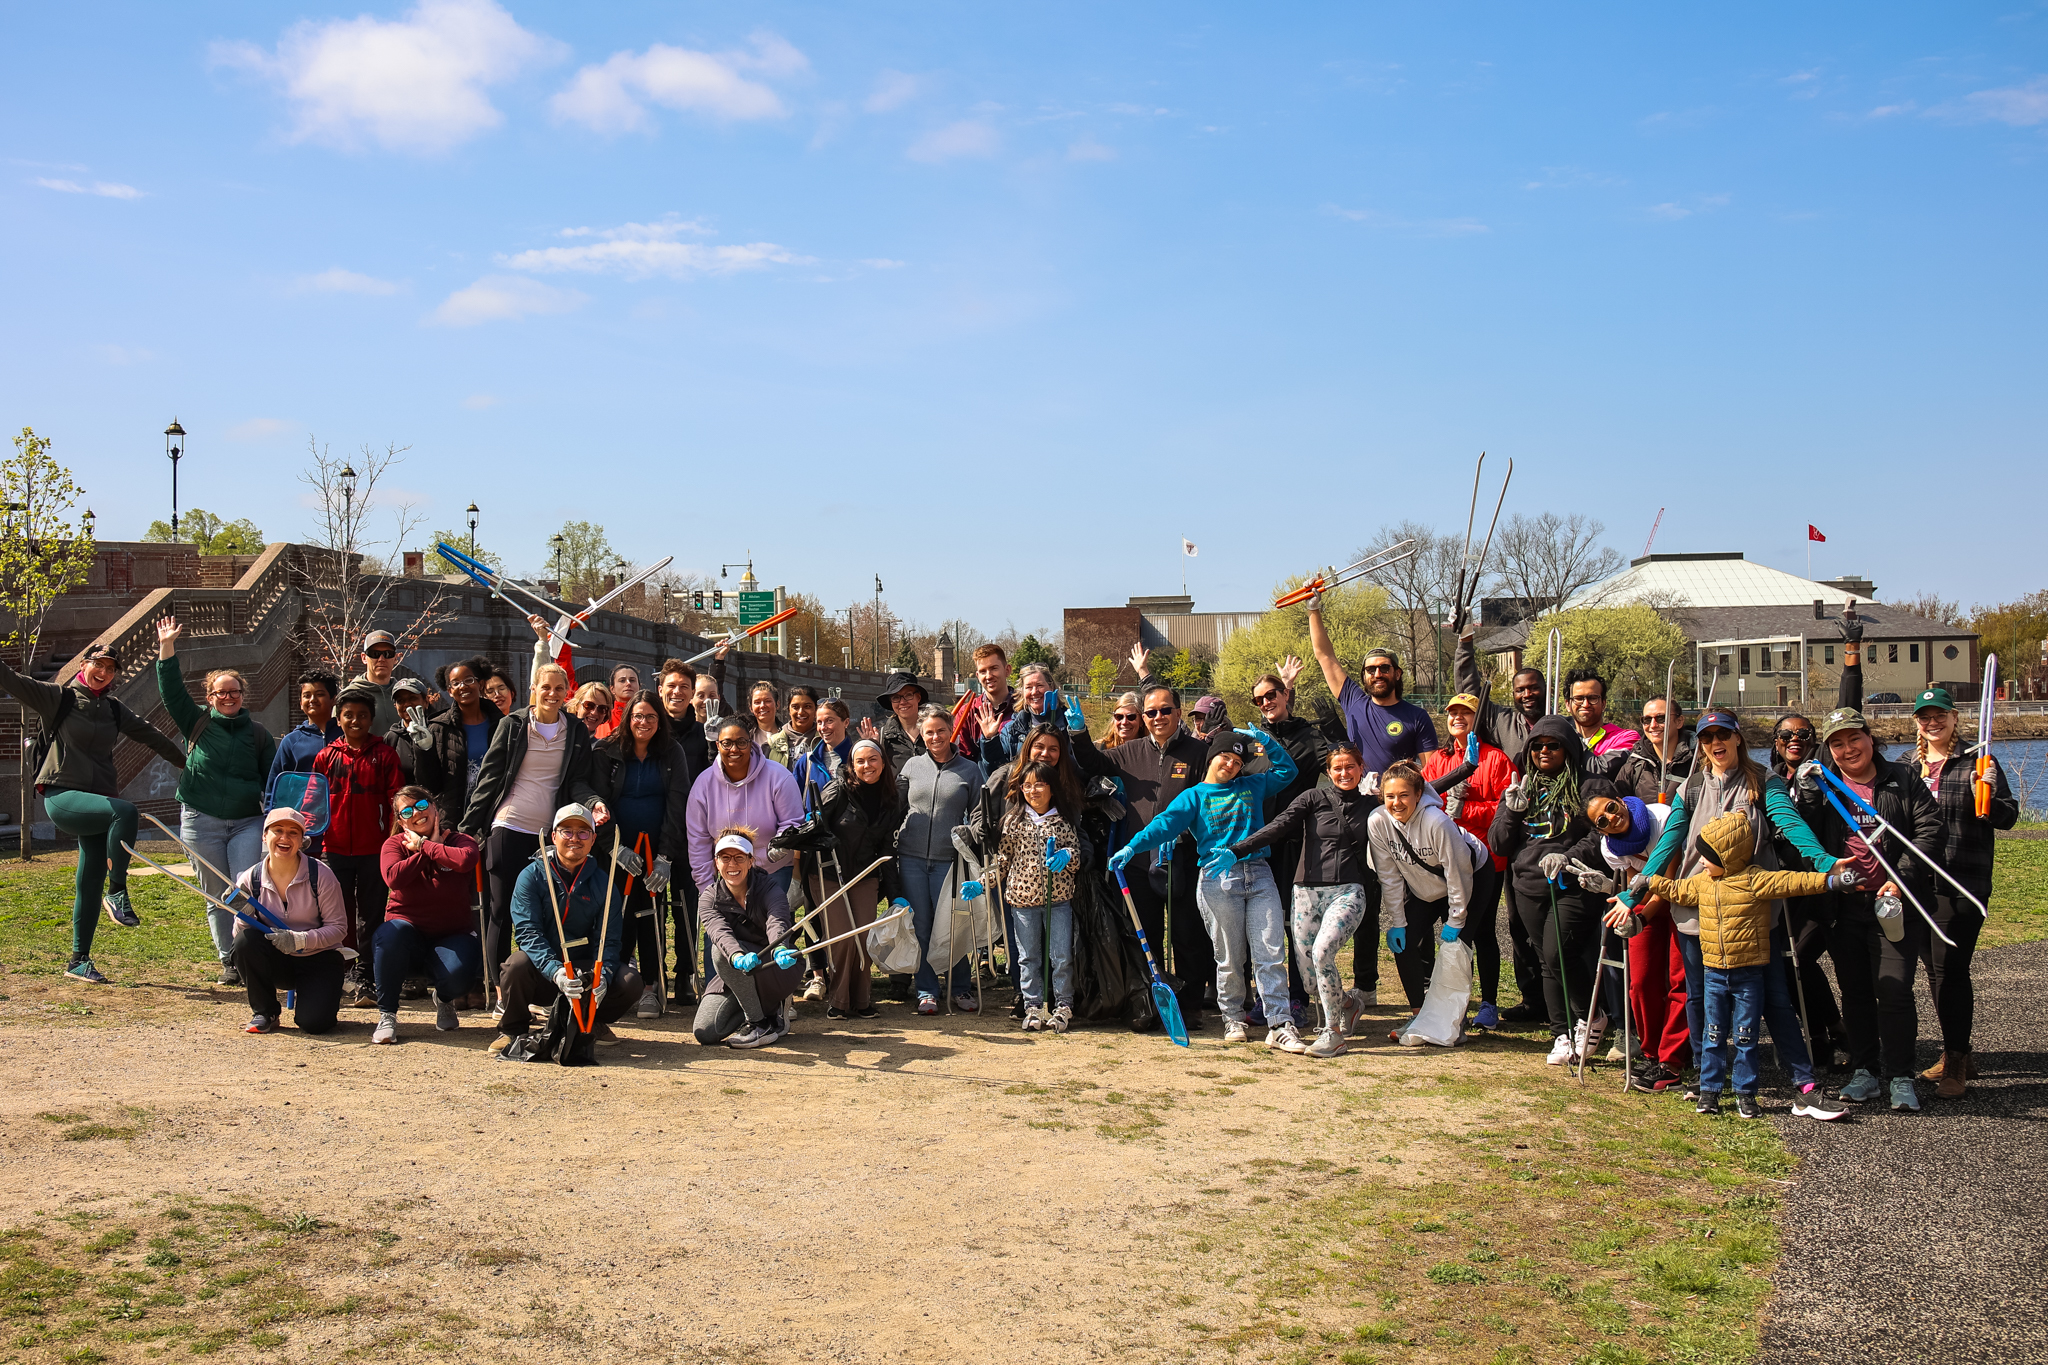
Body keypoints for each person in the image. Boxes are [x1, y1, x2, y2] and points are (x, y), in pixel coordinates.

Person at [1609, 709, 1842, 1095]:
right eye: (1707, 738)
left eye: (1722, 735)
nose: (1715, 744)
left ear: (1737, 737)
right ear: (1700, 744)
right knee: (1697, 995)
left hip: (1748, 914)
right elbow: (1669, 844)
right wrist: (1637, 889)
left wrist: (1824, 861)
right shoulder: (1692, 788)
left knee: (1773, 996)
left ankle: (1802, 1079)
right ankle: (1706, 1074)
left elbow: (1788, 823)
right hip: (1696, 911)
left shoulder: (1764, 782)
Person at [1629, 812, 1856, 1119]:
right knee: (1713, 1034)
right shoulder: (1703, 883)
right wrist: (1649, 880)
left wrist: (1832, 880)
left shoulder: (1756, 880)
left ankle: (1745, 1093)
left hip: (1750, 973)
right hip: (1713, 973)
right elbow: (1677, 890)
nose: (1703, 862)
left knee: (1746, 1036)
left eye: (1708, 856)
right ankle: (1709, 1091)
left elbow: (1796, 882)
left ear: (1726, 855)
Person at [0, 641, 186, 983]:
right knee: (126, 813)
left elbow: (151, 736)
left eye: (111, 668)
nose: (103, 673)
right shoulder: (58, 697)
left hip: (99, 802)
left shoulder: (114, 709)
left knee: (88, 881)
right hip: (62, 795)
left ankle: (78, 960)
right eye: (98, 664)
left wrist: (186, 764)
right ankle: (117, 892)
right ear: (84, 664)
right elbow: (10, 680)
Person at [1112, 724, 1301, 1051]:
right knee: (1228, 955)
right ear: (1213, 757)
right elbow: (1164, 824)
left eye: (1237, 762)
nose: (1230, 765)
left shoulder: (1251, 785)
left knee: (1269, 951)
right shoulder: (1194, 796)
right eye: (1225, 758)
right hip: (1217, 879)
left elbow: (1287, 771)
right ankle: (1232, 1018)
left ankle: (1280, 1024)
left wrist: (1266, 742)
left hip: (1258, 872)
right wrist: (1132, 847)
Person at [1307, 604, 1437, 1004]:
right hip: (1366, 820)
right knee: (1365, 902)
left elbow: (1430, 768)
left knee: (1415, 906)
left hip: (1405, 819)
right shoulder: (1354, 702)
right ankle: (1366, 986)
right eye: (1370, 670)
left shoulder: (1416, 716)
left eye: (1384, 668)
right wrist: (1314, 610)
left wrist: (1397, 786)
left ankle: (1426, 987)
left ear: (1397, 674)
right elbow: (1325, 656)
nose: (1377, 674)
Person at [462, 654, 607, 997]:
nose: (552, 693)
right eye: (546, 687)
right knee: (501, 911)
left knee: (546, 912)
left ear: (568, 692)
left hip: (548, 833)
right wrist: (468, 829)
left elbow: (578, 782)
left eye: (559, 688)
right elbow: (490, 779)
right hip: (509, 825)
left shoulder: (574, 730)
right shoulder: (512, 725)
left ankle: (544, 989)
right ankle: (501, 992)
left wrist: (594, 803)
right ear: (533, 689)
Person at [1226, 743, 1374, 1057]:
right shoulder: (1313, 798)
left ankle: (1332, 1034)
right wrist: (1237, 850)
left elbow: (1416, 793)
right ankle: (1349, 1004)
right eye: (1337, 767)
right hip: (1305, 892)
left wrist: (1466, 769)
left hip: (1348, 891)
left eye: (1350, 766)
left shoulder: (1373, 805)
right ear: (1328, 772)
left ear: (1361, 768)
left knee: (1322, 954)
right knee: (1309, 980)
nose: (1344, 773)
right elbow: (1278, 826)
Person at [152, 614, 277, 985]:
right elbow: (171, 690)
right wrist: (167, 646)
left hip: (245, 822)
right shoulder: (197, 724)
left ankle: (247, 953)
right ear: (210, 698)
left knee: (243, 889)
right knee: (215, 894)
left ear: (243, 695)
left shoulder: (258, 734)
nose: (228, 697)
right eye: (220, 692)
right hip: (200, 820)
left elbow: (271, 782)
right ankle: (229, 961)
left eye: (234, 691)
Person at [1906, 687, 2016, 1099]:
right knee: (1934, 970)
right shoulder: (1908, 765)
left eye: (1939, 716)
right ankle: (1960, 1050)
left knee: (1950, 969)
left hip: (1962, 881)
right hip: (1919, 883)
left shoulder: (1978, 761)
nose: (1932, 723)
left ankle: (1955, 1062)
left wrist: (1981, 793)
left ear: (1955, 718)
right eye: (1924, 717)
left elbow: (2006, 817)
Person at [1094, 675, 1216, 1025]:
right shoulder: (1128, 752)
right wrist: (1073, 733)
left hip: (1185, 859)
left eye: (1165, 710)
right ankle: (1149, 1003)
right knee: (1142, 934)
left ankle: (1189, 1004)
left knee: (1188, 934)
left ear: (1178, 712)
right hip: (1137, 859)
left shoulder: (1199, 753)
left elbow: (1219, 793)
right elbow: (1091, 763)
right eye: (1150, 712)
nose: (1157, 717)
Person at [1489, 716, 1602, 1065]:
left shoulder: (1590, 785)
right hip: (1527, 885)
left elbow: (1603, 833)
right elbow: (1498, 843)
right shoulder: (1522, 785)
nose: (1543, 751)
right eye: (1536, 746)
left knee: (1558, 954)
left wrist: (1568, 856)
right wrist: (1510, 810)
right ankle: (1561, 1034)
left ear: (1568, 749)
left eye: (1553, 745)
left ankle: (1589, 1017)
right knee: (1546, 961)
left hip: (1571, 884)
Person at [490, 803, 644, 1056]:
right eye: (567, 832)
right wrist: (555, 971)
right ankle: (513, 1029)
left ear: (593, 839)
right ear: (553, 836)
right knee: (515, 965)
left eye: (583, 833)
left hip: (582, 969)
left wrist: (602, 974)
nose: (575, 839)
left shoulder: (603, 883)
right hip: (543, 970)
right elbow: (528, 932)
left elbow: (609, 938)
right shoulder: (531, 876)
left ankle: (592, 1020)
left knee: (629, 981)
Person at [1367, 759, 1497, 1020]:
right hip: (1425, 886)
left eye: (1404, 795)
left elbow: (1456, 873)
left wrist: (1456, 918)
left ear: (1418, 794)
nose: (1397, 803)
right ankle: (1420, 1014)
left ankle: (1456, 1016)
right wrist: (1398, 921)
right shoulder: (1378, 821)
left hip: (1472, 876)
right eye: (1390, 796)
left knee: (1457, 945)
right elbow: (1389, 876)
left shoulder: (1436, 821)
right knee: (1403, 945)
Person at [591, 695, 694, 1019]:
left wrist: (665, 856)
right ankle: (615, 984)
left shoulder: (671, 753)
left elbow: (678, 805)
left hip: (655, 851)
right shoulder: (607, 751)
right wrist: (612, 847)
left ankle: (650, 986)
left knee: (651, 916)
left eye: (651, 716)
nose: (644, 722)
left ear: (659, 720)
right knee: (615, 919)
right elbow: (598, 804)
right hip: (616, 851)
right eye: (638, 716)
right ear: (627, 718)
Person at [1422, 695, 1514, 1028]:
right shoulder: (1438, 759)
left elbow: (1509, 808)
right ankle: (1457, 1001)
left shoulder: (1497, 759)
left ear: (1479, 718)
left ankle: (1489, 1003)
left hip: (1488, 861)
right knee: (1452, 932)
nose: (1458, 717)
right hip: (1446, 859)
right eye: (1453, 713)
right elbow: (1426, 797)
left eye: (1466, 712)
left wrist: (1467, 808)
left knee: (1483, 931)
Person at [314, 688, 406, 1006]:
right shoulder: (326, 756)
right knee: (336, 913)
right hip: (334, 847)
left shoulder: (384, 755)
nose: (355, 720)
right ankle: (337, 970)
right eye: (348, 715)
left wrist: (392, 840)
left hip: (373, 849)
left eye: (362, 715)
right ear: (338, 719)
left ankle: (367, 974)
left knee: (371, 913)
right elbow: (313, 802)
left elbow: (396, 801)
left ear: (371, 719)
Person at [373, 785, 483, 1043]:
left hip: (452, 936)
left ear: (435, 808)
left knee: (460, 976)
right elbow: (394, 878)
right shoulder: (394, 844)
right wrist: (426, 850)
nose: (416, 813)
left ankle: (444, 999)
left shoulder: (459, 840)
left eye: (422, 805)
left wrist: (425, 845)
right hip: (407, 939)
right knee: (389, 935)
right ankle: (387, 1014)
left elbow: (466, 860)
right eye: (407, 811)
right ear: (400, 821)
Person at [896, 704, 985, 1013]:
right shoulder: (910, 767)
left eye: (941, 731)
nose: (935, 736)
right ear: (922, 733)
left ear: (951, 732)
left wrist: (971, 832)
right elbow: (897, 808)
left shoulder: (969, 770)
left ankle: (960, 987)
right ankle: (926, 990)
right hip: (912, 858)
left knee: (953, 923)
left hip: (950, 860)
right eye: (929, 731)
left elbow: (978, 813)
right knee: (921, 925)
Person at [985, 760, 1087, 1032]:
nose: (1033, 791)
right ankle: (1032, 1006)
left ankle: (1063, 1005)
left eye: (1039, 784)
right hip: (1022, 902)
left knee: (1061, 955)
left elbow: (1076, 855)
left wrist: (1066, 856)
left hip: (1059, 901)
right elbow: (1002, 861)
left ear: (1052, 788)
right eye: (1027, 786)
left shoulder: (1063, 821)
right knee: (1028, 957)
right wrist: (982, 882)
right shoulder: (1013, 822)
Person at [809, 738, 907, 1019]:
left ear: (883, 762)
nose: (867, 766)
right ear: (851, 764)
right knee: (842, 938)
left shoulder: (891, 799)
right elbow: (814, 828)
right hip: (829, 873)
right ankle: (839, 1001)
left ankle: (862, 1000)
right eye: (860, 761)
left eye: (873, 760)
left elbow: (888, 848)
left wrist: (893, 892)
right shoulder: (837, 790)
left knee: (862, 937)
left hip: (865, 874)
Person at [230, 807, 349, 1034]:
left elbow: (339, 929)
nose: (285, 838)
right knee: (245, 941)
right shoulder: (250, 878)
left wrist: (300, 940)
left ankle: (321, 999)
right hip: (277, 961)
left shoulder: (321, 875)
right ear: (265, 836)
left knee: (315, 1024)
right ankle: (265, 1012)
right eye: (278, 830)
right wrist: (243, 915)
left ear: (302, 840)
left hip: (318, 959)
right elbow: (243, 939)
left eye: (293, 833)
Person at [692, 827, 802, 1048]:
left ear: (751, 860)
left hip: (774, 966)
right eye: (725, 857)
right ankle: (761, 1010)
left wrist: (779, 948)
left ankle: (759, 1023)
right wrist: (737, 956)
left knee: (719, 954)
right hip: (735, 973)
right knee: (706, 1032)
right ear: (716, 862)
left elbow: (777, 921)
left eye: (739, 857)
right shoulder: (708, 899)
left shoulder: (770, 888)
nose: (732, 864)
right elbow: (720, 933)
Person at [688, 716, 803, 909]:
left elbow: (793, 822)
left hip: (772, 869)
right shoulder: (703, 785)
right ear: (717, 745)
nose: (734, 749)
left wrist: (780, 845)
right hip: (726, 873)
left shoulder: (779, 776)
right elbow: (698, 841)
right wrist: (707, 887)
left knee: (770, 932)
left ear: (750, 743)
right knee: (720, 935)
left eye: (741, 742)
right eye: (727, 743)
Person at [422, 655, 504, 825]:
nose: (463, 686)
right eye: (455, 683)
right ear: (449, 690)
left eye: (468, 680)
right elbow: (430, 783)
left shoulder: (502, 724)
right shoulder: (439, 727)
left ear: (480, 684)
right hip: (455, 820)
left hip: (497, 815)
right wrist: (422, 749)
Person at [1561, 668, 1640, 780]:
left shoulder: (1626, 737)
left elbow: (1601, 771)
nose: (1586, 704)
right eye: (1578, 698)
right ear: (1568, 704)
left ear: (1603, 703)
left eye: (1593, 698)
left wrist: (1567, 737)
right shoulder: (1558, 737)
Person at [1615, 695, 1695, 804]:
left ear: (1679, 721)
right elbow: (1618, 805)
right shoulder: (1634, 765)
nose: (1653, 725)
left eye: (1661, 718)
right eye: (1647, 720)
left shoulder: (1697, 761)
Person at [350, 629, 408, 735]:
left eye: (387, 653)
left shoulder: (405, 694)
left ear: (395, 658)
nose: (381, 659)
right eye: (375, 654)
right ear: (364, 658)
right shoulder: (350, 695)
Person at [384, 675, 438, 789]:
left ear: (426, 701)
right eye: (401, 701)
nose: (407, 704)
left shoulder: (439, 732)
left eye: (412, 698)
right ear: (395, 706)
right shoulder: (391, 738)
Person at [871, 672, 928, 773]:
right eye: (896, 697)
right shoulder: (883, 738)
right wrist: (871, 750)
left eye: (908, 695)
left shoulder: (934, 733)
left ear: (918, 697)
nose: (902, 702)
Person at [765, 685, 821, 770]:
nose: (801, 712)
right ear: (789, 710)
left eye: (807, 706)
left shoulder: (825, 741)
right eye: (795, 707)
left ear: (816, 710)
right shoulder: (771, 744)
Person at [601, 662, 641, 740]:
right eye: (622, 680)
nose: (628, 683)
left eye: (632, 680)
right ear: (612, 689)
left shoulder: (649, 716)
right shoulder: (603, 717)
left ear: (639, 686)